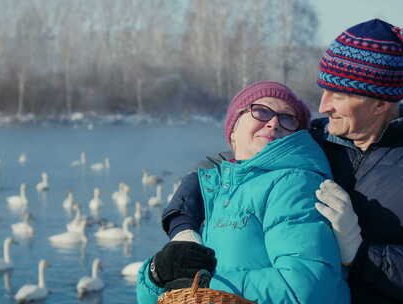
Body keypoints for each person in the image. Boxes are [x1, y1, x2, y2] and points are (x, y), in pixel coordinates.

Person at [160, 19, 403, 304]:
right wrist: (182, 227)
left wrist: (362, 253)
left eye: (339, 95)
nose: (324, 105)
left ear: (380, 104)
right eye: (324, 90)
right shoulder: (310, 140)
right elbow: (218, 170)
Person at [136, 81, 350, 303]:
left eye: (287, 118)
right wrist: (156, 275)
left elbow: (307, 289)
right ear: (234, 128)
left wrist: (206, 287)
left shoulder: (295, 183)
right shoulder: (213, 188)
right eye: (261, 111)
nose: (274, 122)